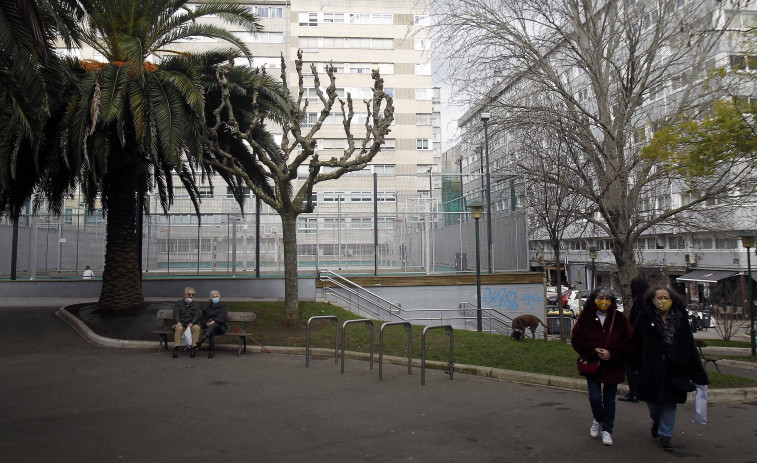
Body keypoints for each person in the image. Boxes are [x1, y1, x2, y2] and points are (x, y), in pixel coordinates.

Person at [631, 286, 709, 452]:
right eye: (659, 297)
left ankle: (666, 435)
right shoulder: (645, 317)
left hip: (674, 368)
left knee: (670, 402)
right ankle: (656, 420)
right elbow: (636, 342)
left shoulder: (680, 319)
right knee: (653, 403)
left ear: (672, 300)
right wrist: (635, 365)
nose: (662, 300)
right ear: (652, 299)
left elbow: (688, 344)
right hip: (651, 368)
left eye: (666, 297)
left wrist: (697, 372)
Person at [571, 287, 634, 446]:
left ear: (612, 301)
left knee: (610, 400)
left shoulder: (619, 318)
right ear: (594, 299)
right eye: (600, 297)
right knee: (595, 397)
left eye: (607, 298)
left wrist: (611, 352)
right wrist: (593, 349)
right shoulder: (586, 317)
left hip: (613, 365)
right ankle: (598, 418)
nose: (604, 301)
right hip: (593, 364)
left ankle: (607, 430)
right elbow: (577, 339)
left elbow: (628, 342)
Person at [618, 277, 649, 403]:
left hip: (637, 340)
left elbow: (636, 323)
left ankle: (634, 392)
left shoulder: (639, 302)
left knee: (630, 366)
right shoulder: (647, 300)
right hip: (645, 340)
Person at [196, 289, 227, 358]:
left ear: (219, 297)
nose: (215, 298)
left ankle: (203, 339)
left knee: (213, 325)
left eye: (216, 297)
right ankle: (211, 350)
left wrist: (214, 321)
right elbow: (203, 318)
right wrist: (206, 323)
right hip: (210, 327)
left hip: (220, 327)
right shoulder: (207, 308)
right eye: (214, 297)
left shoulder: (222, 306)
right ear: (211, 298)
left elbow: (223, 316)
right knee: (211, 330)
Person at [172, 287, 201, 358]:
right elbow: (176, 314)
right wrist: (178, 322)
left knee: (197, 328)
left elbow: (197, 315)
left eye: (192, 294)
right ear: (185, 295)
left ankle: (193, 348)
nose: (191, 296)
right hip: (181, 323)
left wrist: (193, 323)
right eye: (189, 294)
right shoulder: (178, 303)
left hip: (190, 324)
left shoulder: (195, 304)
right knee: (179, 328)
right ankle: (176, 348)